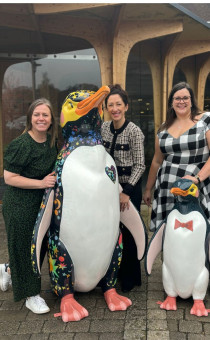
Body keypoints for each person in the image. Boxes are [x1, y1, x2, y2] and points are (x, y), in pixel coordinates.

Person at [0, 98, 58, 314]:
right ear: (30, 118)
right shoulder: (21, 144)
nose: (41, 118)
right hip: (20, 206)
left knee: (37, 248)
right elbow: (9, 178)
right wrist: (41, 183)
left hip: (40, 205)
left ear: (51, 120)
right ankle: (31, 296)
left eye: (45, 115)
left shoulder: (51, 143)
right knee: (26, 249)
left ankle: (7, 269)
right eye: (37, 115)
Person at [143, 81, 210, 231]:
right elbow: (157, 160)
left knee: (196, 232)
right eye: (177, 98)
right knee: (170, 232)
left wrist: (197, 178)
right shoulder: (164, 127)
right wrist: (148, 188)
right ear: (171, 103)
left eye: (185, 98)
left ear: (192, 100)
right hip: (167, 189)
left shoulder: (205, 120)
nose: (181, 102)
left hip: (196, 187)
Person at [101, 84, 145, 292]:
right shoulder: (103, 128)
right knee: (111, 231)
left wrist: (126, 192)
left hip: (129, 188)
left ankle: (130, 275)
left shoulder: (134, 131)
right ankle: (114, 271)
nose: (115, 108)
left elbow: (140, 165)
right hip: (109, 189)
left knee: (128, 232)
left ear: (126, 106)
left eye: (118, 104)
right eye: (111, 105)